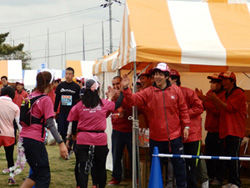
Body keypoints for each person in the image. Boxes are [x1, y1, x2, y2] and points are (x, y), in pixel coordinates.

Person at [121, 63, 190, 188]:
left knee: (179, 167)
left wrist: (186, 126)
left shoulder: (176, 90)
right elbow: (132, 101)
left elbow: (183, 110)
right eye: (155, 74)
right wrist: (126, 89)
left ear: (166, 76)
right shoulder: (148, 92)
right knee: (157, 168)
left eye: (160, 74)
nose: (157, 77)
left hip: (175, 137)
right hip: (156, 138)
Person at [66, 78, 123, 188]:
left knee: (82, 168)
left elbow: (73, 120)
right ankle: (98, 185)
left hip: (83, 140)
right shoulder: (103, 104)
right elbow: (116, 104)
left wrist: (70, 138)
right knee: (100, 167)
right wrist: (122, 91)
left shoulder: (79, 105)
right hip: (100, 140)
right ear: (98, 91)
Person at [20, 71, 68, 188]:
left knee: (36, 174)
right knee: (43, 176)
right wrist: (61, 143)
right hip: (35, 140)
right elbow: (50, 124)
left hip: (25, 139)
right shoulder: (45, 100)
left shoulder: (29, 97)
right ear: (50, 84)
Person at [207, 71, 246, 188]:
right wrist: (208, 98)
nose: (223, 81)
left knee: (233, 157)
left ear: (232, 81)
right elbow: (219, 107)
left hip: (235, 130)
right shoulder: (226, 93)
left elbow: (229, 108)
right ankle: (230, 181)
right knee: (227, 157)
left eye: (225, 79)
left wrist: (213, 98)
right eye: (222, 79)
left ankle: (236, 182)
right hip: (226, 130)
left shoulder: (238, 93)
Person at [170, 69, 206, 188]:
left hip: (193, 136)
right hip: (178, 136)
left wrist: (184, 114)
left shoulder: (188, 92)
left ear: (174, 79)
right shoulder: (166, 94)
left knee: (192, 168)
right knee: (181, 166)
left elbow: (199, 108)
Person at [195, 73, 225, 186]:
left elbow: (218, 110)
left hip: (220, 131)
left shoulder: (223, 95)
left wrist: (204, 100)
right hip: (210, 130)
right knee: (209, 154)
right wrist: (200, 99)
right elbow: (203, 106)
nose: (212, 84)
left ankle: (219, 178)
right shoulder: (210, 93)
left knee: (219, 156)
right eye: (211, 82)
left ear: (220, 83)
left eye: (214, 82)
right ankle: (210, 176)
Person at [108, 76, 132, 185]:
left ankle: (135, 177)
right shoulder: (112, 97)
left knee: (133, 155)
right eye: (113, 84)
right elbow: (106, 112)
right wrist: (109, 98)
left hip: (130, 130)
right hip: (117, 130)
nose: (115, 86)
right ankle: (116, 177)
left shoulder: (127, 94)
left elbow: (132, 106)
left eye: (117, 83)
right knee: (116, 155)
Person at [0, 86, 21, 185]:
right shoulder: (15, 107)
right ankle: (11, 178)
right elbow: (19, 124)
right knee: (10, 158)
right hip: (9, 135)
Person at [54, 67, 81, 142]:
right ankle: (64, 143)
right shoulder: (60, 86)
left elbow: (79, 101)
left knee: (72, 130)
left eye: (69, 74)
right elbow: (57, 99)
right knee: (62, 130)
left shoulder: (76, 87)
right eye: (66, 74)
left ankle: (70, 146)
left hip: (72, 113)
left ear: (73, 75)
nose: (68, 76)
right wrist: (55, 110)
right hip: (63, 112)